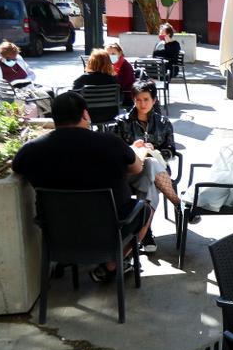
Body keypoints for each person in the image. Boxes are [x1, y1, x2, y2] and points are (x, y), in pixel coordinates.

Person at [12, 92, 153, 282]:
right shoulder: (110, 143)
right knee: (146, 208)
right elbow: (137, 168)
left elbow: (17, 168)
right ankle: (113, 264)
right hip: (111, 228)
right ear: (85, 114)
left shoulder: (31, 150)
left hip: (57, 233)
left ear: (54, 117)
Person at [114, 80, 182, 252]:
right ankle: (177, 202)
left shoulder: (164, 122)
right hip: (130, 172)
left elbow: (171, 151)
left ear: (154, 100)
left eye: (146, 99)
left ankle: (144, 232)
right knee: (150, 171)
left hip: (155, 172)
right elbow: (112, 150)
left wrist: (155, 150)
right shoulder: (122, 122)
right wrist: (131, 149)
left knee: (151, 168)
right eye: (138, 100)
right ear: (133, 100)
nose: (142, 104)